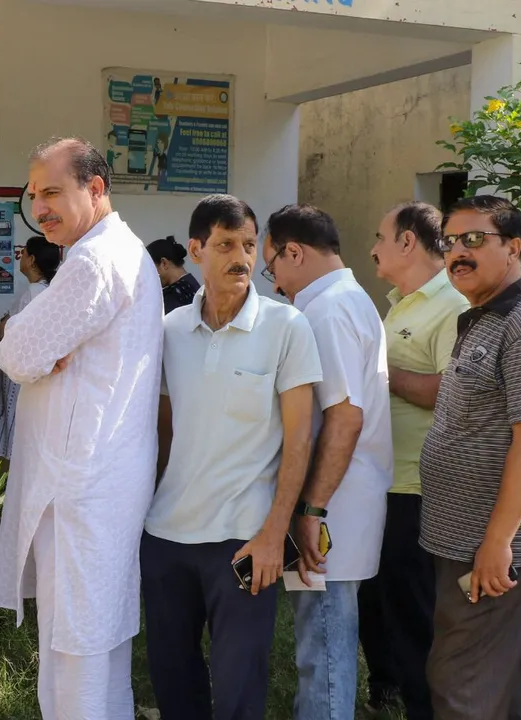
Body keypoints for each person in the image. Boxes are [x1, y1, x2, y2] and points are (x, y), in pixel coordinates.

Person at [0, 138, 163, 718]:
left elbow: (16, 354)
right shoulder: (114, 250)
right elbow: (29, 348)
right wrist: (29, 340)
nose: (40, 208)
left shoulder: (92, 260)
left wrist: (22, 336)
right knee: (99, 635)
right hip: (100, 474)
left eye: (53, 192)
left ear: (95, 189)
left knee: (75, 645)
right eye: (33, 195)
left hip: (81, 482)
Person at [143, 194, 322, 720]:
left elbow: (300, 440)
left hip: (243, 541)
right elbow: (161, 431)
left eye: (248, 245)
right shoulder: (170, 330)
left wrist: (274, 534)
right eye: (224, 245)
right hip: (166, 536)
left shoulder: (286, 327)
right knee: (172, 680)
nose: (240, 257)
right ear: (196, 249)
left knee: (240, 684)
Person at [419, 195, 521, 719]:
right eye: (450, 241)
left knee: (459, 683)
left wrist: (498, 543)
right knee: (493, 680)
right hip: (463, 539)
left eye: (475, 239)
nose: (458, 252)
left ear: (514, 248)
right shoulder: (479, 317)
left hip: (490, 549)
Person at [262, 204, 392, 720]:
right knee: (323, 638)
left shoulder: (328, 310)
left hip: (330, 508)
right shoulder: (347, 299)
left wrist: (311, 510)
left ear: (294, 251)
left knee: (325, 643)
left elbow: (344, 418)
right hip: (340, 499)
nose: (274, 284)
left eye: (273, 266)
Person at [358, 202, 466, 719]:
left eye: (380, 235)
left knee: (413, 610)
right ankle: (388, 687)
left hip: (418, 486)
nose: (373, 247)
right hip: (382, 479)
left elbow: (452, 390)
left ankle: (427, 706)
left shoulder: (452, 304)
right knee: (377, 601)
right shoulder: (397, 303)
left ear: (407, 242)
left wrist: (382, 377)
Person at [0, 235, 60, 463]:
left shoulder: (33, 293)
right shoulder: (47, 291)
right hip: (35, 372)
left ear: (31, 260)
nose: (20, 257)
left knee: (12, 431)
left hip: (19, 373)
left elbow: (6, 330)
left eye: (24, 253)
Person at [146, 235, 200, 313]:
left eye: (150, 269)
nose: (149, 277)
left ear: (164, 263)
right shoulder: (193, 285)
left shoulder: (172, 296)